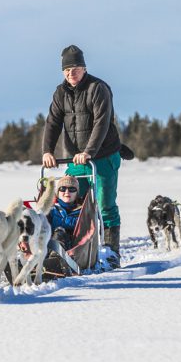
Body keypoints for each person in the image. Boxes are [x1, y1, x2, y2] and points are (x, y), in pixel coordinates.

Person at [42, 45, 122, 267]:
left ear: (84, 68)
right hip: (76, 158)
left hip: (103, 155)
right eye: (66, 70)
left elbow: (101, 123)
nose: (71, 74)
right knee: (69, 200)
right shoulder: (60, 93)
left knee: (104, 203)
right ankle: (69, 248)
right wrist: (48, 150)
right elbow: (53, 122)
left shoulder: (98, 88)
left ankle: (111, 251)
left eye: (75, 68)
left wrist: (89, 152)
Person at [48, 175, 83, 247]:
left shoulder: (83, 211)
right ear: (58, 193)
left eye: (72, 189)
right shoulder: (51, 210)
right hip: (51, 245)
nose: (67, 192)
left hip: (76, 248)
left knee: (60, 232)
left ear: (77, 193)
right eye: (63, 189)